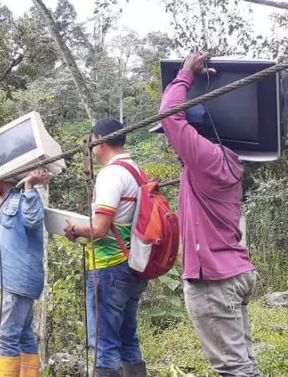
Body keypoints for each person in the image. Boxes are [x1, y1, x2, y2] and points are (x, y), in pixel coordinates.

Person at [158, 51, 260, 376]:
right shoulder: (229, 162)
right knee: (244, 364)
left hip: (213, 280)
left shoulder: (207, 159)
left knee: (233, 370)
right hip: (236, 272)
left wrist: (186, 73)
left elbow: (170, 116)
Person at [63, 118, 148, 377]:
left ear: (100, 140)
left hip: (110, 268)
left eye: (91, 141)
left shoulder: (111, 174)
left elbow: (99, 228)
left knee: (104, 344)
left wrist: (74, 230)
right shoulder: (136, 170)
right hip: (133, 264)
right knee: (127, 338)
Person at [0, 154, 49, 377]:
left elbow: (34, 219)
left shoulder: (22, 198)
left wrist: (29, 185)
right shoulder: (0, 203)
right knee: (23, 335)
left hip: (18, 280)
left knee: (5, 336)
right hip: (8, 279)